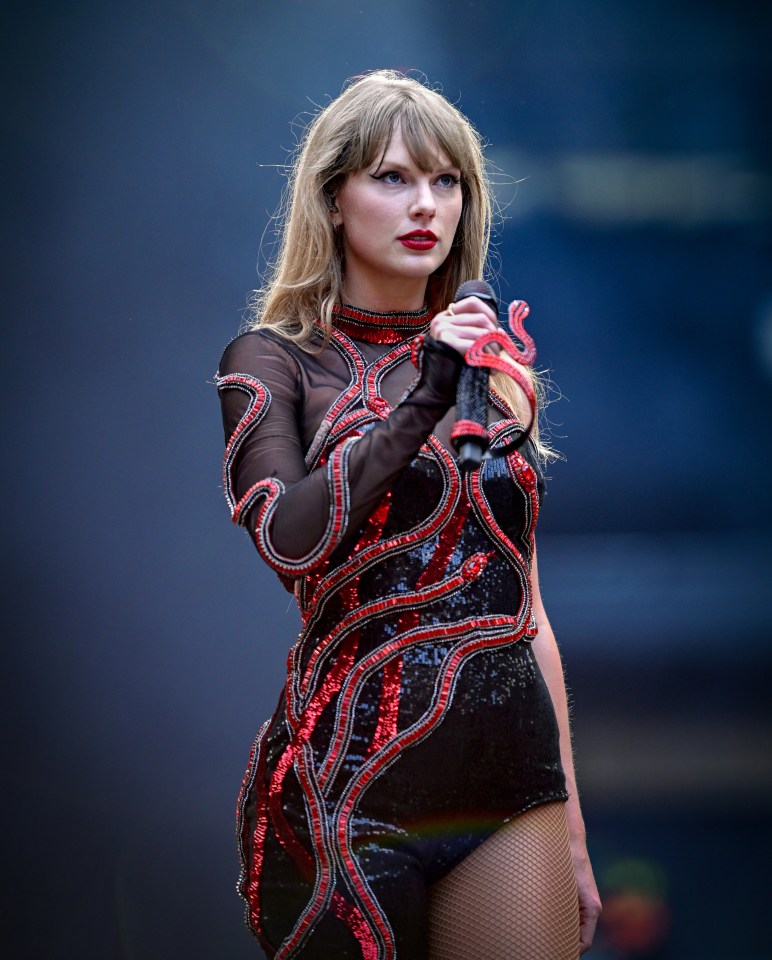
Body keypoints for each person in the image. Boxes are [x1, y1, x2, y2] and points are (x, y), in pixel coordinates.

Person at [216, 69, 601, 960]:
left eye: (447, 180)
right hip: (344, 790)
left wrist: (574, 829)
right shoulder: (274, 362)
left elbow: (526, 611)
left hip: (512, 784)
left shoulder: (498, 372)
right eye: (392, 177)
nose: (426, 203)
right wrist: (425, 392)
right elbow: (288, 535)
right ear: (333, 199)